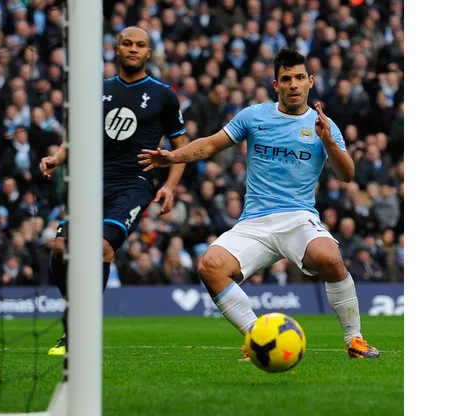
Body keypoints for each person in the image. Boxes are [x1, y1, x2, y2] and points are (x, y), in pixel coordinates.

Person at [138, 48, 380, 359]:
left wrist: (329, 141)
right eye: (285, 79)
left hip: (299, 217)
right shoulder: (254, 116)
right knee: (210, 267)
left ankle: (354, 339)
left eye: (298, 78)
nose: (292, 85)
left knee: (331, 257)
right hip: (255, 221)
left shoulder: (324, 125)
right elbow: (210, 144)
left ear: (310, 81)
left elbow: (348, 175)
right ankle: (257, 337)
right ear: (275, 84)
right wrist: (174, 156)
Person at [40, 26, 187, 356]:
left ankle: (80, 331)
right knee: (62, 249)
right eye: (127, 43)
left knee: (102, 247)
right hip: (91, 184)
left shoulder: (164, 95)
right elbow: (75, 136)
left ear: (149, 53)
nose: (133, 49)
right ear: (116, 49)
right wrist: (57, 157)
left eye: (140, 45)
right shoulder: (97, 91)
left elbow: (182, 146)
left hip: (134, 185)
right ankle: (76, 315)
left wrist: (169, 186)